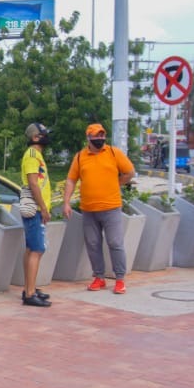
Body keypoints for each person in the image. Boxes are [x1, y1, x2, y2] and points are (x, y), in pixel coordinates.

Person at [62, 123, 136, 294]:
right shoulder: (80, 157)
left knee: (115, 243)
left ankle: (119, 279)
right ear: (88, 138)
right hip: (88, 209)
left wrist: (117, 183)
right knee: (93, 244)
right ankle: (99, 277)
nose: (100, 139)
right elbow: (71, 180)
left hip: (111, 208)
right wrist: (66, 202)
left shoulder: (113, 153)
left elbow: (129, 172)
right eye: (96, 137)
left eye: (102, 136)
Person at [19, 122, 53, 307]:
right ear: (34, 137)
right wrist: (44, 208)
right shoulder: (32, 155)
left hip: (37, 209)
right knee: (37, 249)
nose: (46, 136)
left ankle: (29, 288)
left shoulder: (37, 155)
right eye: (43, 133)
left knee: (32, 248)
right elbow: (33, 184)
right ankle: (30, 293)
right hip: (35, 209)